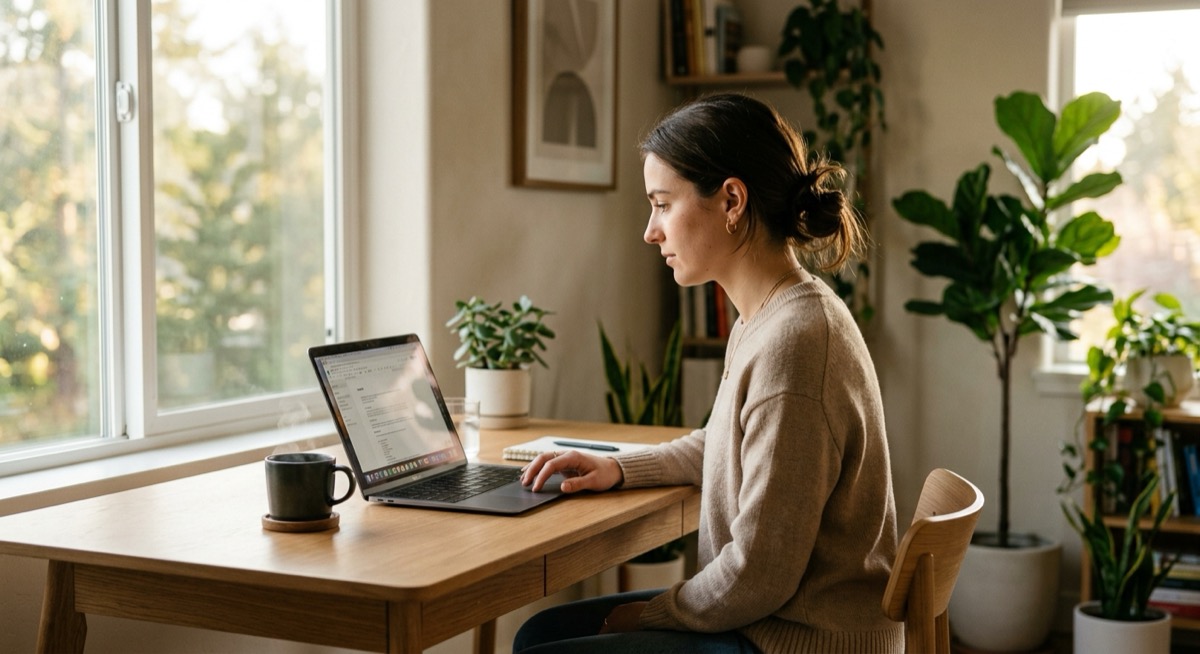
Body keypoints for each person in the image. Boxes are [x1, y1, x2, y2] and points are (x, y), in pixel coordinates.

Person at [515, 93, 902, 654]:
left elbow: (758, 574)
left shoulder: (795, 344)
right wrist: (618, 469)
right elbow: (726, 443)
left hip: (792, 639)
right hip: (772, 620)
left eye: (662, 204)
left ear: (731, 201)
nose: (651, 231)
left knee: (541, 647)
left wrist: (650, 613)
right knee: (539, 633)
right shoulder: (769, 316)